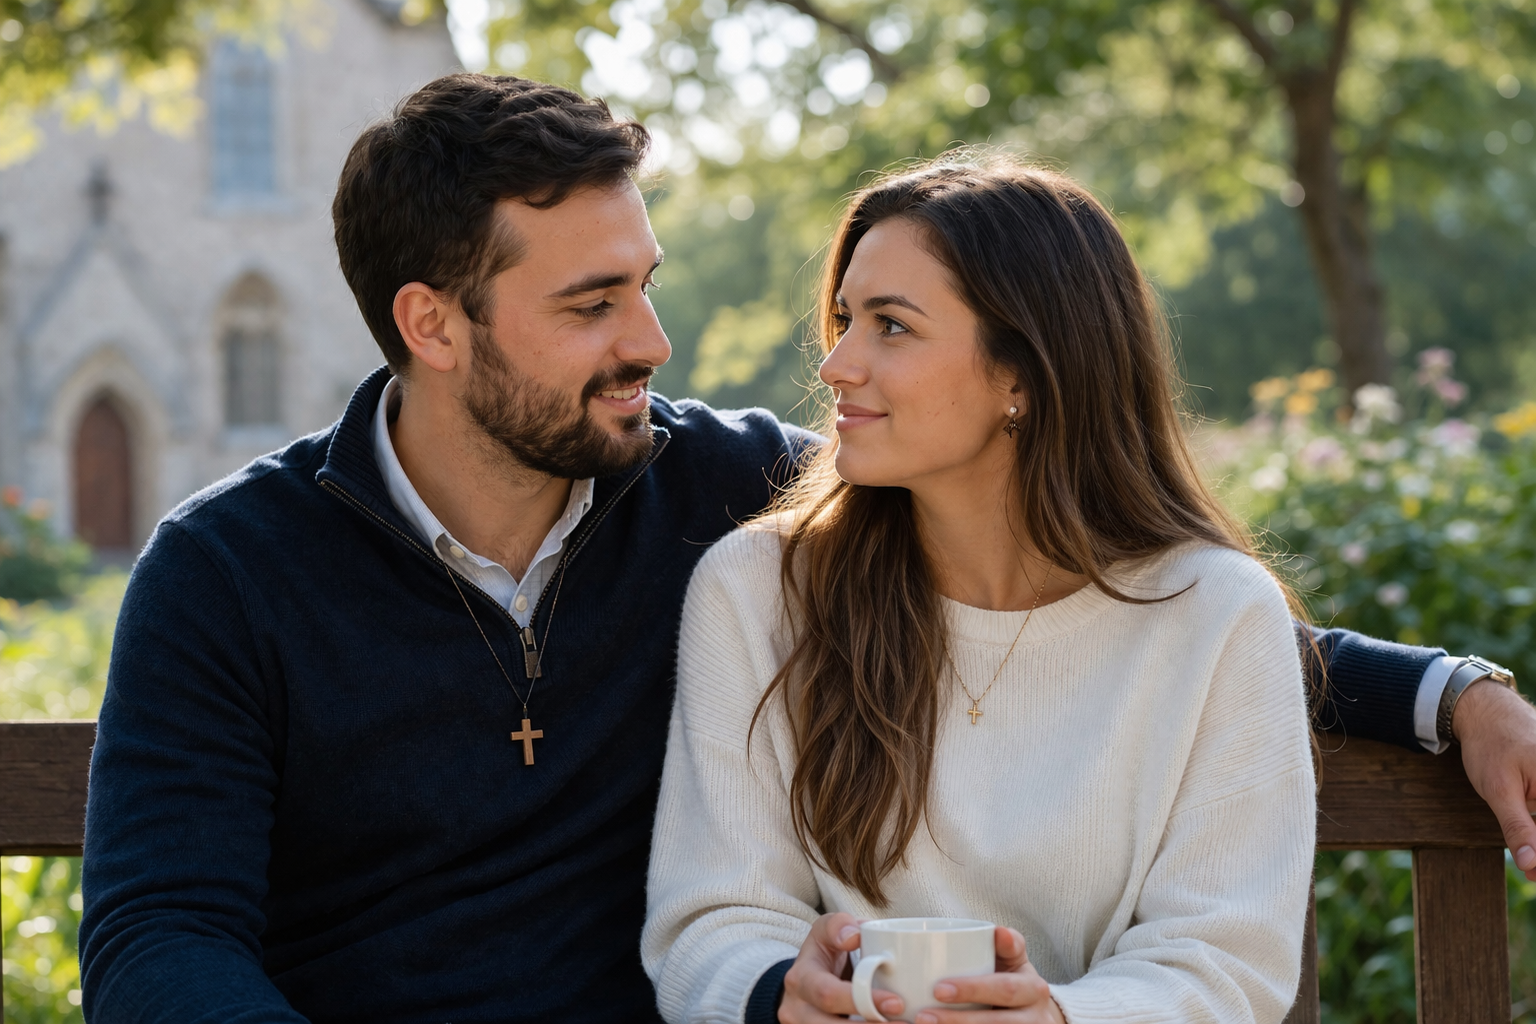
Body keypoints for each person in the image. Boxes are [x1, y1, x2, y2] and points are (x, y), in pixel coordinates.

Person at [77, 74, 1536, 1023]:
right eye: (592, 305)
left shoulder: (723, 489)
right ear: (433, 325)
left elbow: (1105, 595)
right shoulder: (228, 573)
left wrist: (1446, 693)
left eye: (644, 284)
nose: (652, 341)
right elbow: (159, 939)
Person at [637, 158, 1513, 1024]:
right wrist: (783, 997)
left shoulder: (1214, 615)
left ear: (1022, 375)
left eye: (891, 326)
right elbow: (714, 921)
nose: (836, 365)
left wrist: (1056, 1018)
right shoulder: (759, 592)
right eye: (843, 319)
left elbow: (1220, 956)